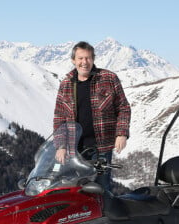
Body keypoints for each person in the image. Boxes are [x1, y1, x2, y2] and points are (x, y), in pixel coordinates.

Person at [53, 41, 131, 192]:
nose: (84, 62)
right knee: (75, 189)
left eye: (88, 58)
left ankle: (106, 215)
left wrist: (121, 133)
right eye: (80, 58)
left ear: (93, 59)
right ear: (73, 60)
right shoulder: (66, 84)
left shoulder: (108, 78)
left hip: (101, 147)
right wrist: (60, 145)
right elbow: (59, 117)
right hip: (75, 149)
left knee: (102, 187)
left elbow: (123, 107)